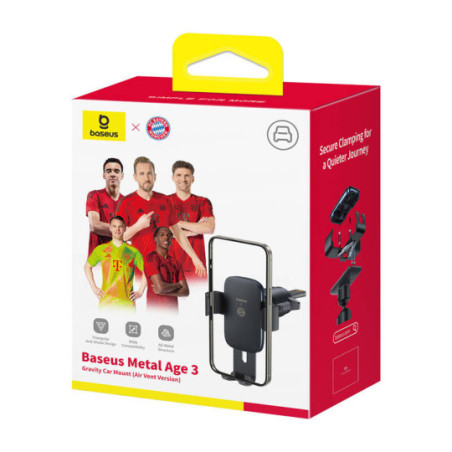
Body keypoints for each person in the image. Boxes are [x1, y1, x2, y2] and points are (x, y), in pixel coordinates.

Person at [116, 156, 206, 277]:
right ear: (135, 177)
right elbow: (118, 238)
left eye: (149, 173)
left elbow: (178, 233)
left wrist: (195, 258)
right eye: (142, 174)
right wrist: (138, 226)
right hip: (139, 270)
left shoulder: (165, 200)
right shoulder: (126, 203)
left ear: (155, 176)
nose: (146, 178)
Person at [84, 216, 146, 310]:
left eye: (120, 226)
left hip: (127, 305)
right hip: (106, 304)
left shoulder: (133, 251)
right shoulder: (101, 249)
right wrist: (94, 287)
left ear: (124, 228)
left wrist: (140, 292)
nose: (117, 229)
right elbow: (87, 267)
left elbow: (147, 271)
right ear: (110, 228)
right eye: (114, 226)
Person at [169, 161, 215, 280]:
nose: (183, 179)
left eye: (187, 175)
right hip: (170, 265)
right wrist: (194, 230)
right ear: (173, 178)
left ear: (192, 179)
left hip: (197, 267)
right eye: (179, 175)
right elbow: (163, 231)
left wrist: (178, 224)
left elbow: (209, 228)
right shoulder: (165, 202)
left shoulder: (203, 202)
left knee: (198, 291)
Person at [86, 158, 124, 256]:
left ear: (122, 176)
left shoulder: (127, 203)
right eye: (108, 171)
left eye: (116, 171)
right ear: (104, 175)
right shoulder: (94, 195)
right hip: (98, 260)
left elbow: (134, 234)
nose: (112, 174)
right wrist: (124, 232)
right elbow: (95, 226)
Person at [144, 227, 188, 311]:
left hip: (173, 312)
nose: (166, 237)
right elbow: (160, 287)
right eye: (162, 235)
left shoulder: (176, 262)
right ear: (155, 238)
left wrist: (164, 291)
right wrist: (177, 285)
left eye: (169, 235)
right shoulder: (151, 258)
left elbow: (186, 291)